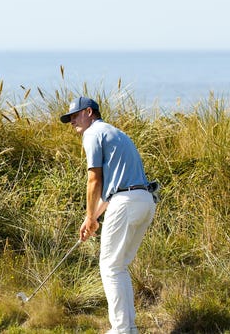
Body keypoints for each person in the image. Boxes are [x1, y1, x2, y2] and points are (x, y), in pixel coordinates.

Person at [60, 96, 156, 334]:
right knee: (118, 266)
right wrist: (91, 218)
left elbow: (94, 179)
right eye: (69, 118)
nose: (72, 121)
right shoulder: (116, 133)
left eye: (75, 115)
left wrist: (90, 216)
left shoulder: (92, 133)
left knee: (110, 267)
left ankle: (121, 330)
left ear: (90, 112)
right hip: (144, 201)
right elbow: (113, 189)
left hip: (126, 202)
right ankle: (128, 328)